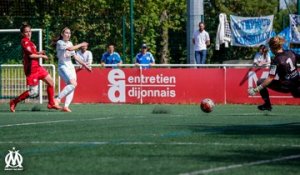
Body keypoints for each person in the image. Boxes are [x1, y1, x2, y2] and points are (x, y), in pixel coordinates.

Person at [9, 23, 61, 112]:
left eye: (30, 31)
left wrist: (39, 52)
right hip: (31, 70)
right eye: (26, 32)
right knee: (34, 92)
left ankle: (51, 103)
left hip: (38, 67)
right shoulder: (24, 41)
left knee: (51, 82)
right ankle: (14, 101)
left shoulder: (31, 43)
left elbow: (33, 53)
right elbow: (31, 56)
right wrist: (42, 56)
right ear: (22, 34)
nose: (29, 33)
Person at [248, 36, 300, 111]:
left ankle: (267, 104)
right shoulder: (290, 52)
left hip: (286, 86)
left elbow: (270, 78)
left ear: (272, 47)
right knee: (296, 94)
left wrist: (256, 90)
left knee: (260, 82)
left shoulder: (275, 60)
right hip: (297, 83)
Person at [55, 27, 92, 112]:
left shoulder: (70, 43)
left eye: (69, 33)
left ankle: (66, 106)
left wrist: (85, 65)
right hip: (63, 66)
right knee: (73, 84)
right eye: (66, 33)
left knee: (73, 86)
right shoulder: (60, 42)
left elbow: (75, 56)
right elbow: (69, 49)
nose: (68, 35)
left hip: (70, 66)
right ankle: (57, 99)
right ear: (62, 34)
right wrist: (81, 44)